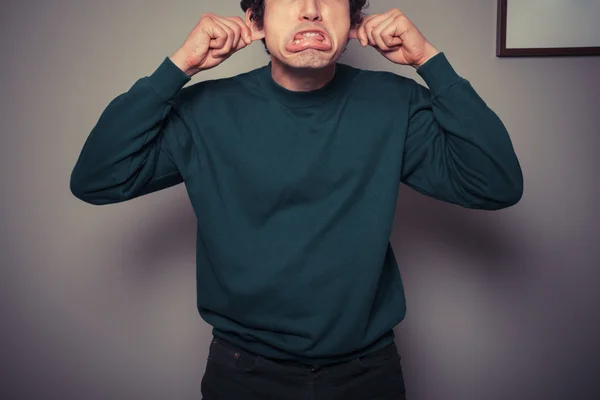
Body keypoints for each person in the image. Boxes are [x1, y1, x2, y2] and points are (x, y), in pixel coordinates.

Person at [70, 0, 523, 398]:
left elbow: (494, 183)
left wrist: (429, 61)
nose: (311, 8)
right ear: (256, 19)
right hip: (243, 374)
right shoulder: (203, 110)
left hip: (367, 373)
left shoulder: (394, 103)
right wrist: (177, 69)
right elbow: (98, 178)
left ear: (354, 20)